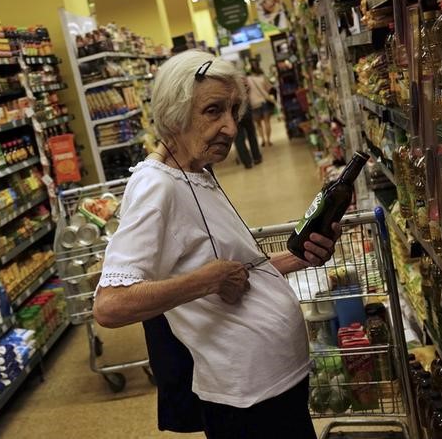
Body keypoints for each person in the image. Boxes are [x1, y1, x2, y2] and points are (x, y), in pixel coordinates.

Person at [93, 50, 341, 438]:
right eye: (213, 111)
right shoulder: (155, 186)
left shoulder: (196, 172)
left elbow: (234, 269)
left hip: (273, 384)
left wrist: (296, 258)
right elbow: (110, 305)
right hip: (244, 401)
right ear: (174, 113)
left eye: (234, 110)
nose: (230, 126)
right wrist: (206, 281)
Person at [247, 64, 274, 147]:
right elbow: (269, 88)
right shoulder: (263, 78)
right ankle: (268, 140)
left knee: (258, 124)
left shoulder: (247, 79)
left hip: (254, 104)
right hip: (264, 102)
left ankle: (262, 140)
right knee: (267, 122)